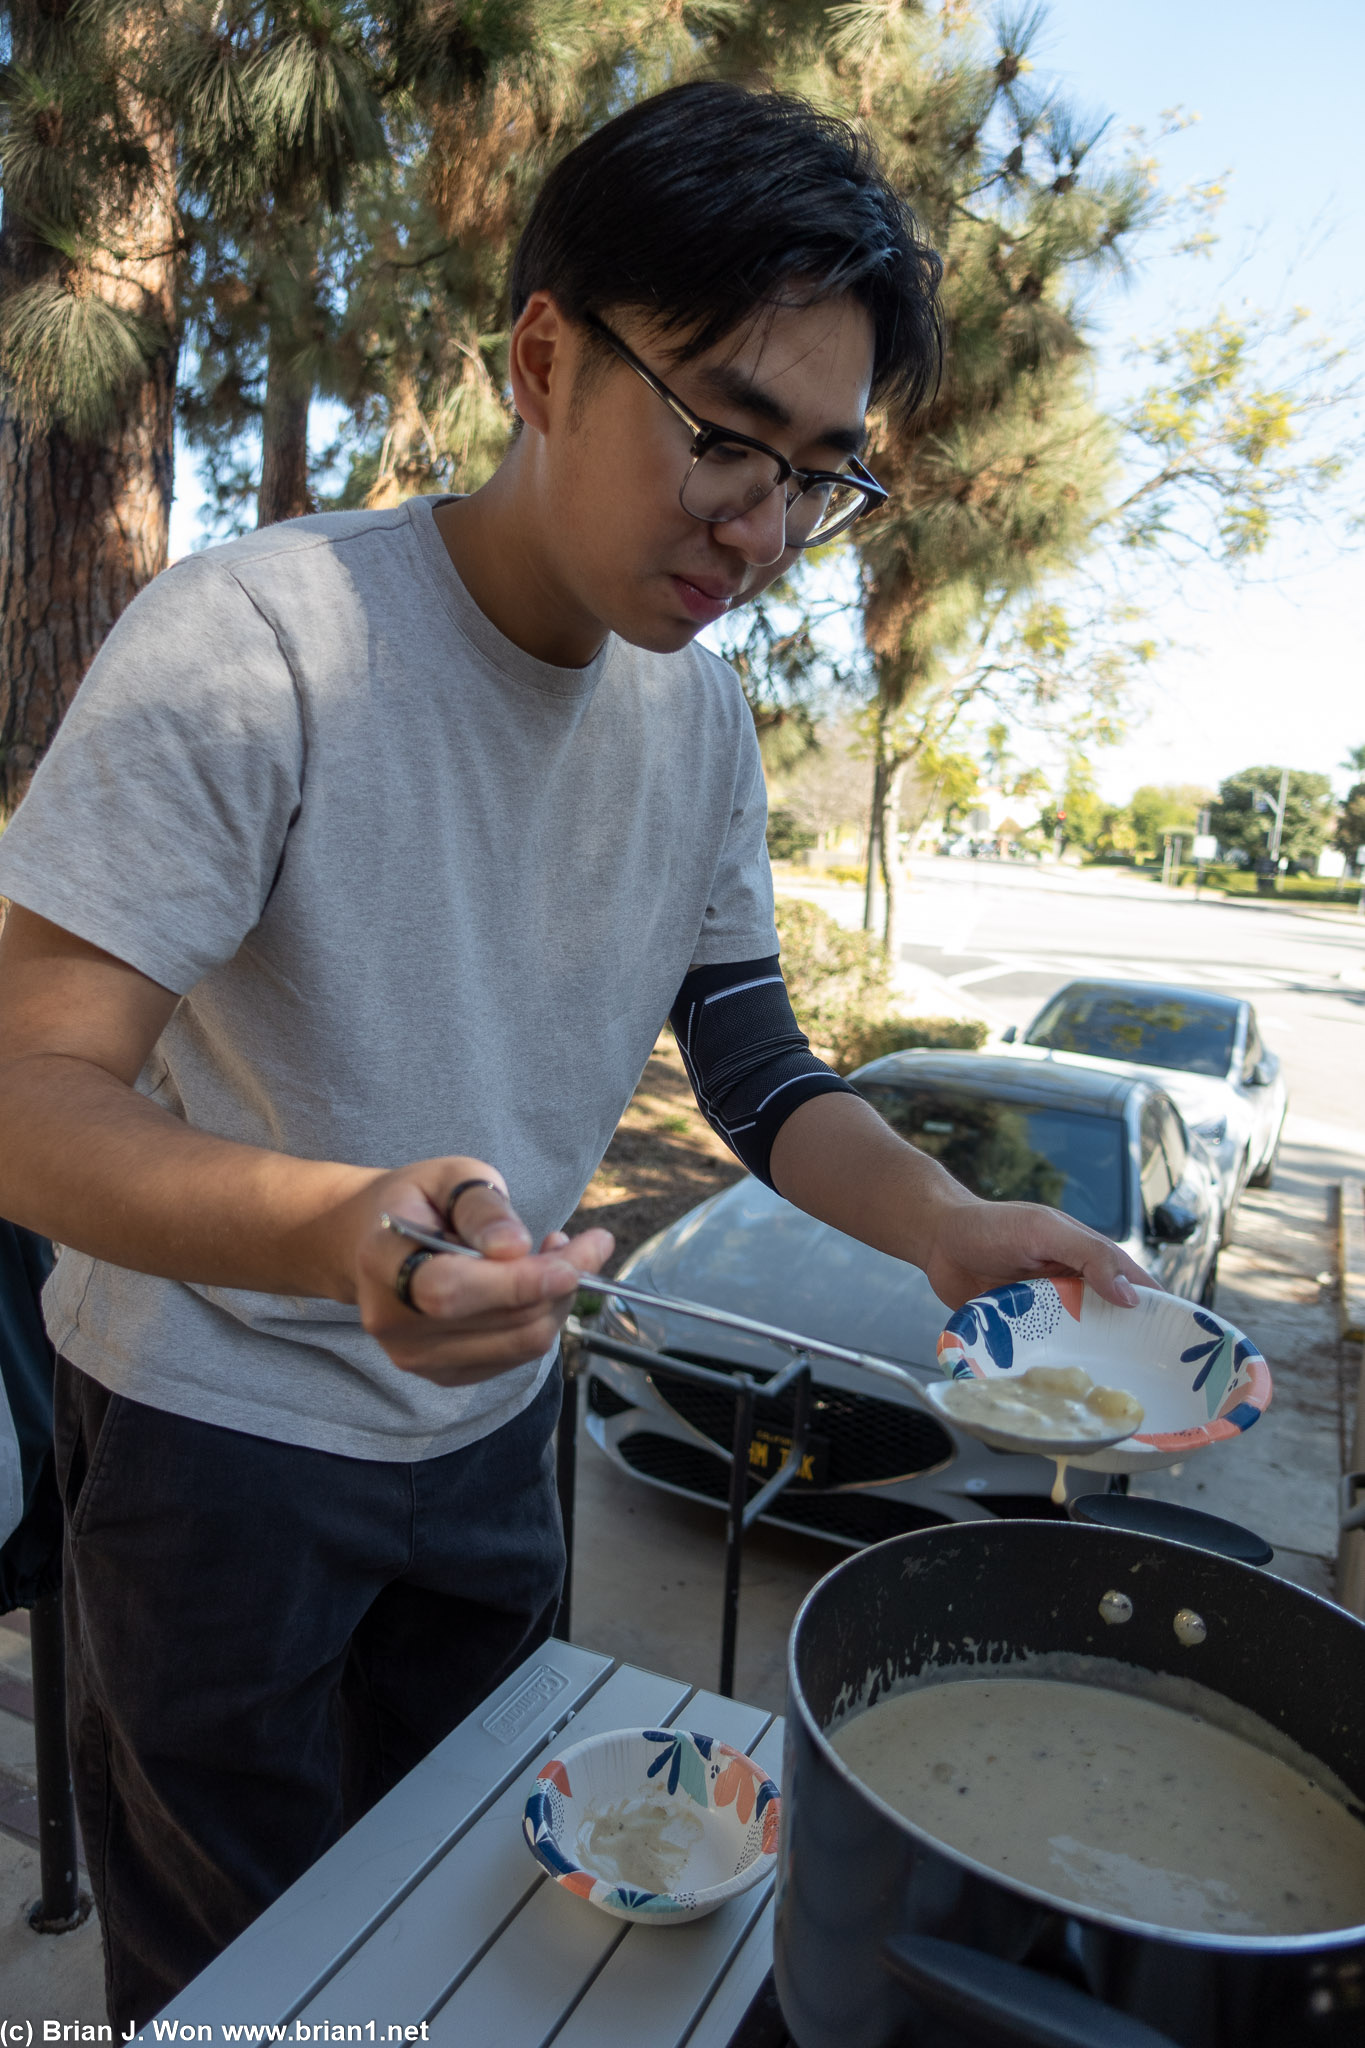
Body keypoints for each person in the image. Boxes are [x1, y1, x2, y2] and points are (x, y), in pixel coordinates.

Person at [0, 81, 1149, 2026]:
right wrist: (346, 1231)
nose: (763, 522)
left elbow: (759, 1070)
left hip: (491, 1438)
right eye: (723, 432)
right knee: (242, 1986)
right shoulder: (258, 640)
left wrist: (947, 1223)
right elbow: (30, 1099)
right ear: (543, 356)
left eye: (815, 472)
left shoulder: (692, 725)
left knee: (482, 1926)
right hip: (218, 1451)